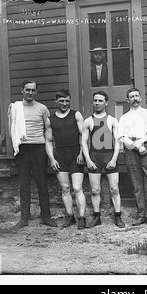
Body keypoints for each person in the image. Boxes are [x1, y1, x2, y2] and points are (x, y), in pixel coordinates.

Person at [8, 80, 57, 230]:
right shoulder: (15, 108)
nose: (30, 93)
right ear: (21, 90)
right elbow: (11, 128)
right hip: (22, 149)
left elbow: (48, 131)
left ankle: (46, 217)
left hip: (38, 148)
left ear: (36, 92)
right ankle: (24, 218)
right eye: (27, 90)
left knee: (42, 183)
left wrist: (50, 152)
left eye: (33, 90)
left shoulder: (42, 108)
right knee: (24, 184)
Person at [82, 91, 125, 228]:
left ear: (106, 102)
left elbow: (117, 141)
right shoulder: (88, 121)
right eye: (95, 100)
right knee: (95, 190)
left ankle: (118, 216)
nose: (97, 103)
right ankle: (96, 217)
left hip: (109, 156)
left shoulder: (112, 120)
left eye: (100, 101)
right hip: (94, 156)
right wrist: (88, 160)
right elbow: (83, 142)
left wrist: (113, 159)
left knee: (114, 188)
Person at [117, 87, 147, 226]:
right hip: (131, 149)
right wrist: (136, 146)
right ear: (127, 100)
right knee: (137, 183)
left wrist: (141, 143)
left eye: (136, 96)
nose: (134, 98)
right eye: (131, 96)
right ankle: (141, 213)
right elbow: (121, 136)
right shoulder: (124, 117)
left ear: (140, 98)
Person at [45, 89, 87, 229]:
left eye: (67, 101)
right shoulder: (50, 120)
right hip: (60, 156)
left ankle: (82, 217)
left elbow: (83, 137)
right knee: (65, 188)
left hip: (75, 153)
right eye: (61, 101)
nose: (64, 103)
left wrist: (82, 154)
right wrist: (51, 158)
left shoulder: (76, 115)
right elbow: (48, 141)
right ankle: (70, 217)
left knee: (77, 187)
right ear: (56, 101)